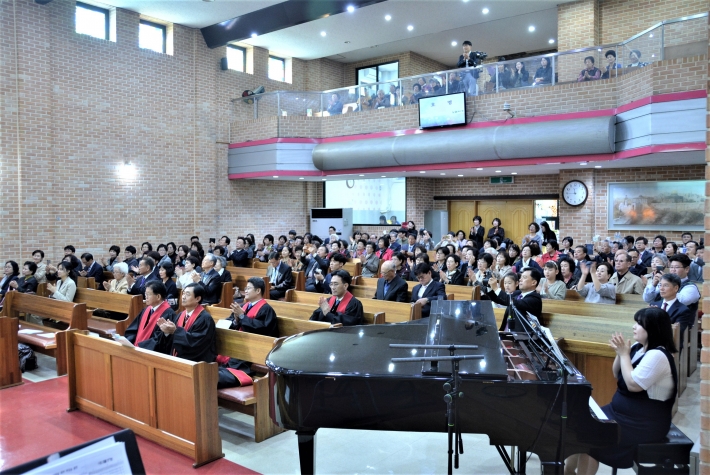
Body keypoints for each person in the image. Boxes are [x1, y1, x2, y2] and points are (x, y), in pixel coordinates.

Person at [565, 307, 677, 475]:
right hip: (620, 413)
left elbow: (633, 385)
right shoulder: (639, 347)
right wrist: (620, 353)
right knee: (579, 425)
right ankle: (567, 471)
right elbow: (617, 373)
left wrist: (624, 355)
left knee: (591, 438)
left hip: (642, 423)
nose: (634, 327)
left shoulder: (658, 355)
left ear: (653, 329)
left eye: (639, 323)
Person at [150, 283, 217, 363]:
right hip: (179, 358)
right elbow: (171, 341)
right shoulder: (181, 315)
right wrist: (167, 332)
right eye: (183, 293)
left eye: (187, 294)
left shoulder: (205, 319)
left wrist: (175, 331)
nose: (183, 297)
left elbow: (195, 344)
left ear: (197, 298)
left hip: (196, 362)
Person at [123, 281, 177, 347]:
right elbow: (133, 330)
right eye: (145, 294)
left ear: (158, 296)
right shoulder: (146, 310)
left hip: (150, 351)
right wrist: (128, 341)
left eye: (148, 294)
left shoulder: (169, 314)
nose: (146, 297)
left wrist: (141, 346)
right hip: (136, 348)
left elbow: (161, 340)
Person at [647, 273, 694, 338]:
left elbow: (677, 332)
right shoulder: (653, 305)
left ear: (676, 288)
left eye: (665, 285)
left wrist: (658, 316)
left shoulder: (683, 310)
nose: (661, 288)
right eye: (660, 285)